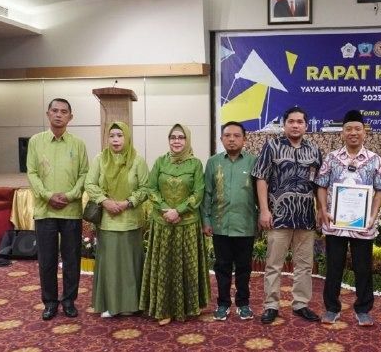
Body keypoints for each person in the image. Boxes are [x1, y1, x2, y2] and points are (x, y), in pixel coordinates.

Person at [315, 110, 381, 326]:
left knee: (363, 268)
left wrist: (373, 215)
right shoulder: (332, 158)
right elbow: (321, 186)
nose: (353, 133)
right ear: (342, 133)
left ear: (365, 132)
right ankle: (331, 308)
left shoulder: (374, 159)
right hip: (335, 223)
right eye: (348, 129)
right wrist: (323, 209)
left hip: (362, 225)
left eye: (357, 129)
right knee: (333, 267)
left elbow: (380, 190)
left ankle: (363, 309)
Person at [252, 106, 322, 324]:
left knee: (304, 264)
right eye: (291, 121)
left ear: (306, 125)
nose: (295, 125)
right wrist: (264, 210)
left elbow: (319, 183)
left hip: (305, 217)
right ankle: (271, 305)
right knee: (274, 264)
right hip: (278, 216)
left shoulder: (314, 150)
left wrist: (321, 209)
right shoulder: (271, 146)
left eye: (300, 122)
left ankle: (300, 304)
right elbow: (261, 178)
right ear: (284, 125)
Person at [140, 124, 210, 325]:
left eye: (181, 137)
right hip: (162, 223)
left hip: (187, 224)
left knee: (187, 267)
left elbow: (198, 193)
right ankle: (163, 309)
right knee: (164, 267)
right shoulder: (160, 161)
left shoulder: (195, 164)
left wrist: (178, 211)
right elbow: (151, 189)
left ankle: (189, 307)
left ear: (187, 140)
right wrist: (166, 210)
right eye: (173, 137)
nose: (176, 141)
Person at [26, 98, 89, 320]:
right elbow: (32, 173)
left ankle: (69, 301)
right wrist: (47, 195)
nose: (59, 115)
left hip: (71, 210)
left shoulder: (78, 144)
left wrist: (70, 196)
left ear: (70, 117)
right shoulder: (36, 141)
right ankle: (50, 302)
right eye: (55, 110)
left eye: (63, 111)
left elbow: (84, 174)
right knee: (47, 260)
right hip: (45, 210)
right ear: (48, 114)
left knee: (72, 259)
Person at [85, 122, 149, 318]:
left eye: (119, 135)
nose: (115, 139)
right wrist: (105, 201)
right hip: (108, 220)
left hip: (130, 220)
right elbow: (90, 183)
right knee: (110, 265)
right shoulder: (100, 159)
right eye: (111, 135)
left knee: (130, 265)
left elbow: (145, 187)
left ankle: (132, 304)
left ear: (127, 137)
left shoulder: (137, 160)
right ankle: (110, 305)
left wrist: (127, 202)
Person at [202, 121, 258, 321]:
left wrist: (262, 217)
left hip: (245, 224)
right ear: (221, 139)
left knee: (244, 268)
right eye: (227, 136)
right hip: (220, 225)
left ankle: (243, 303)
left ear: (244, 139)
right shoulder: (213, 162)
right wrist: (206, 220)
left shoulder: (253, 162)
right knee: (222, 267)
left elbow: (260, 194)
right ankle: (223, 303)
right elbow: (207, 193)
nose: (232, 139)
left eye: (236, 135)